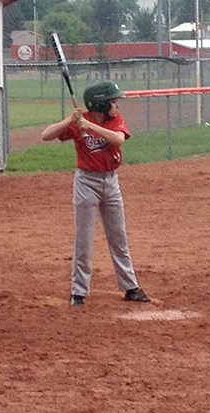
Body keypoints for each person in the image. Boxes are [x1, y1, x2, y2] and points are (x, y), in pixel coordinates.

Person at [41, 80, 150, 307]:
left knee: (118, 236)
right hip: (86, 181)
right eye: (112, 101)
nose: (116, 105)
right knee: (84, 238)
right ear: (100, 104)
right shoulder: (80, 122)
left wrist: (90, 127)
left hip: (111, 182)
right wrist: (70, 121)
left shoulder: (113, 121)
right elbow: (46, 135)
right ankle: (78, 291)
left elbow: (118, 139)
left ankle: (130, 287)